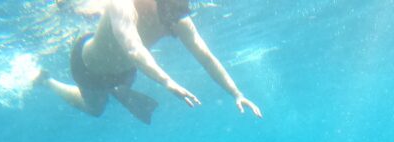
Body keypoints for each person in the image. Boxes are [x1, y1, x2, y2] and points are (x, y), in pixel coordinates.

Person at [37, 0, 262, 124]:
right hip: (89, 68)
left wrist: (236, 93)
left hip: (127, 71)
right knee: (95, 109)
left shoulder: (176, 16)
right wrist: (168, 82)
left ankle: (118, 90)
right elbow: (134, 49)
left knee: (115, 91)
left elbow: (206, 57)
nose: (179, 10)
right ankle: (47, 81)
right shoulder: (122, 5)